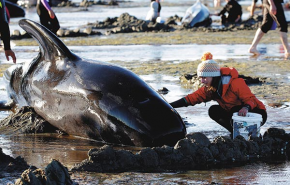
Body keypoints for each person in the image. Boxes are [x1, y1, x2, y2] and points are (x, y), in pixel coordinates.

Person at [170, 52, 267, 136]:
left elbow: (251, 100)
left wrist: (246, 108)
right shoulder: (209, 89)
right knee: (213, 110)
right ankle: (236, 133)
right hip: (236, 115)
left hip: (257, 113)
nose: (202, 81)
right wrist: (170, 106)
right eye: (201, 78)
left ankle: (247, 134)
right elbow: (191, 99)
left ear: (213, 77)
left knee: (234, 110)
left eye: (204, 78)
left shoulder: (235, 83)